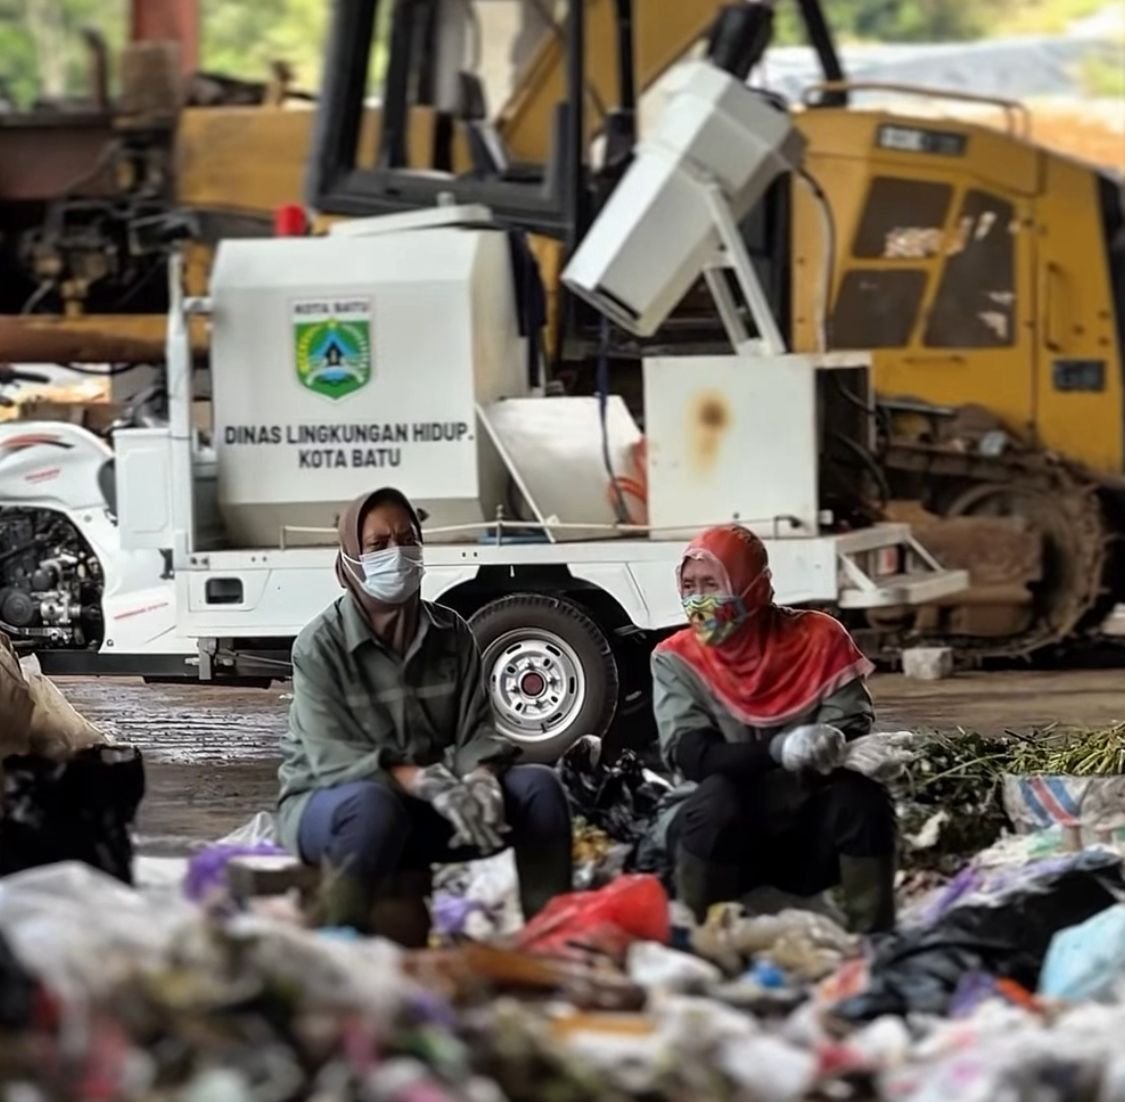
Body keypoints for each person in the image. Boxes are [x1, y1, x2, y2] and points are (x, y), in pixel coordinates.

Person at [277, 487, 573, 944]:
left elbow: (476, 730)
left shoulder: (451, 632)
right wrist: (424, 781)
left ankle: (552, 938)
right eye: (378, 546)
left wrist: (480, 778)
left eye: (407, 538)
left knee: (539, 788)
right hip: (333, 807)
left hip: (430, 808)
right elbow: (330, 760)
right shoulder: (320, 647)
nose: (397, 554)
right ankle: (341, 945)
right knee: (372, 807)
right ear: (349, 563)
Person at [651, 524, 896, 933]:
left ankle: (874, 943)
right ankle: (699, 939)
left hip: (802, 831)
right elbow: (691, 754)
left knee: (863, 798)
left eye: (713, 583)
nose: (699, 600)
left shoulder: (819, 637)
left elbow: (847, 725)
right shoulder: (676, 658)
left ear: (756, 587)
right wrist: (779, 750)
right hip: (719, 835)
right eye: (690, 586)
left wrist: (847, 749)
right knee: (718, 796)